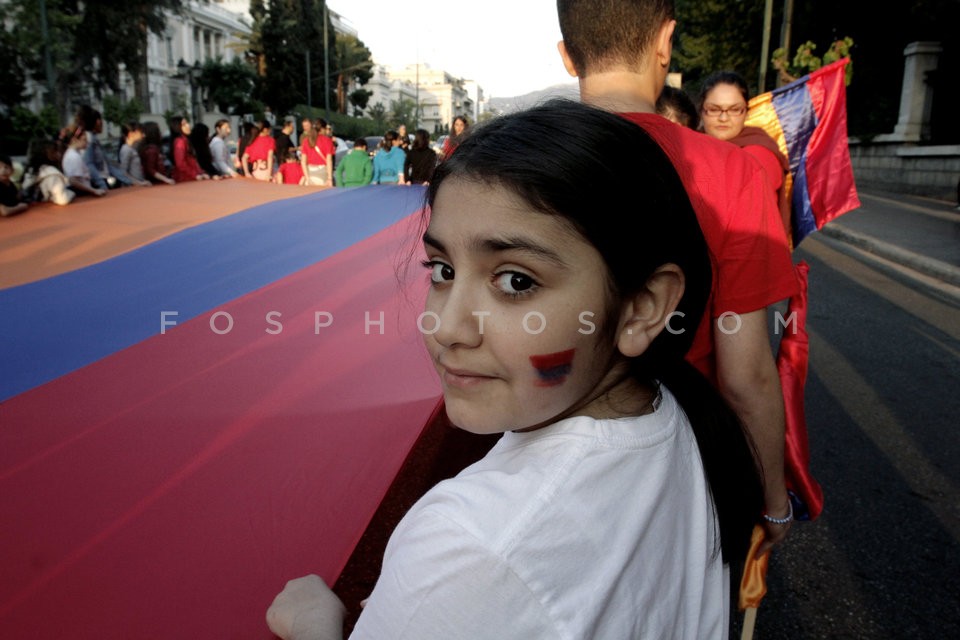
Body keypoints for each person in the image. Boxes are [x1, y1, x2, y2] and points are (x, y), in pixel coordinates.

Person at [266, 99, 763, 640]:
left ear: (643, 307)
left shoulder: (473, 542)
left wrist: (315, 623)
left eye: (516, 281)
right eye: (443, 270)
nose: (449, 327)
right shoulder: (676, 415)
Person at [556, 0, 799, 553]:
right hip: (686, 469)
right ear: (665, 41)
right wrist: (772, 500)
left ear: (568, 57)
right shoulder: (732, 173)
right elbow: (746, 376)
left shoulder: (527, 163)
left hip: (552, 463)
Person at [698, 71, 791, 236]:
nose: (723, 117)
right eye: (714, 109)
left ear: (746, 112)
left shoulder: (758, 154)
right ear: (702, 110)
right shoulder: (693, 145)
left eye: (734, 109)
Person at [21, 139, 75, 205]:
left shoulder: (30, 170)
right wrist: (72, 193)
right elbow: (62, 199)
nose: (59, 154)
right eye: (55, 151)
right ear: (50, 155)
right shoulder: (52, 173)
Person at [60, 125, 107, 197]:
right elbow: (73, 181)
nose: (87, 142)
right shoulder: (73, 156)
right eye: (84, 140)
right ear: (74, 140)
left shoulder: (74, 154)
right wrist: (93, 191)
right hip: (81, 194)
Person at [168, 116, 210, 182]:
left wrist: (201, 173)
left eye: (187, 123)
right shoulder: (180, 142)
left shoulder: (186, 140)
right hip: (185, 179)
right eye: (184, 124)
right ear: (177, 127)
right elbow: (180, 163)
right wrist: (195, 174)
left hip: (192, 177)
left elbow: (193, 161)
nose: (188, 126)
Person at [139, 121, 176, 185]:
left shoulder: (150, 149)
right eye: (158, 130)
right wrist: (166, 179)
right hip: (156, 183)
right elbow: (150, 169)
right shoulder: (151, 150)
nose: (160, 133)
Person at [300, 118, 335, 186]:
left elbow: (303, 161)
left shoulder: (306, 141)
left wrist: (307, 177)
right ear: (322, 129)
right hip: (323, 173)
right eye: (325, 128)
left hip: (310, 173)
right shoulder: (327, 141)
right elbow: (329, 161)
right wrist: (330, 178)